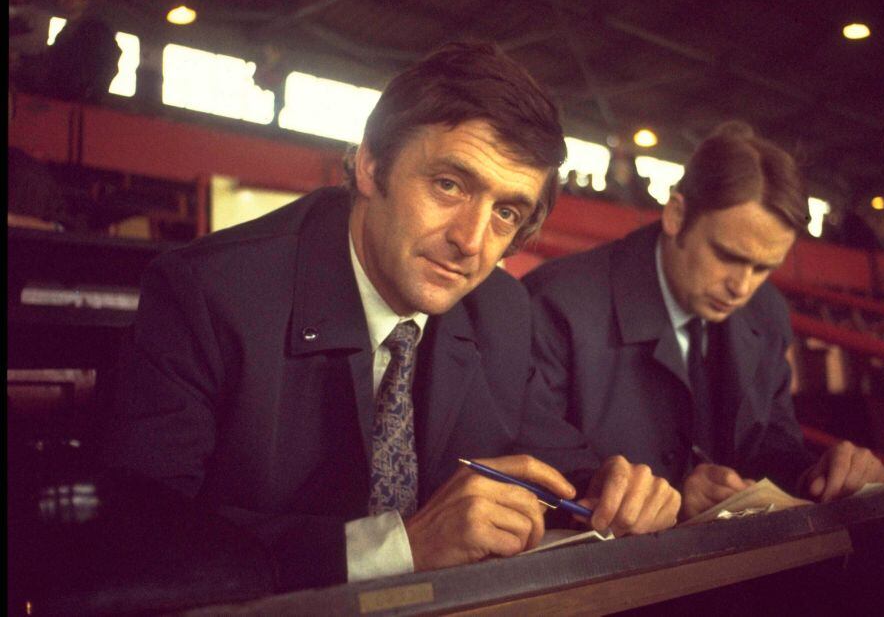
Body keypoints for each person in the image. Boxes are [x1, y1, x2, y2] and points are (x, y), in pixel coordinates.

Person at [101, 42, 680, 591]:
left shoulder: (500, 309)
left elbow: (552, 459)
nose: (472, 243)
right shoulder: (208, 292)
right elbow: (145, 539)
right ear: (371, 166)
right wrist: (397, 548)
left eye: (506, 212)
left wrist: (607, 489)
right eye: (450, 185)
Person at [524, 121, 884, 521]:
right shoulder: (555, 302)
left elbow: (770, 440)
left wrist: (814, 474)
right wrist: (674, 496)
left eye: (763, 268)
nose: (742, 287)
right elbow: (536, 458)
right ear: (676, 215)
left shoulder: (766, 311)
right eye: (728, 256)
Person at [34, 0, 121, 102]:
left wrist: (93, 92)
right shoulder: (63, 35)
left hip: (79, 100)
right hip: (59, 97)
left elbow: (109, 60)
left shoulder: (96, 29)